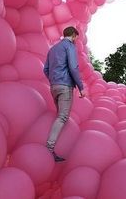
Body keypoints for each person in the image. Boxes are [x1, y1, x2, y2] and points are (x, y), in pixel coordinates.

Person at [43, 26, 85, 162]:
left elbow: (46, 69)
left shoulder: (53, 49)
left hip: (54, 86)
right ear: (73, 35)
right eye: (76, 38)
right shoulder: (70, 46)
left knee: (59, 117)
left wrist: (54, 80)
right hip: (65, 86)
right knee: (62, 118)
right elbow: (73, 67)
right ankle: (49, 150)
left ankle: (51, 148)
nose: (75, 40)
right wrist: (81, 87)